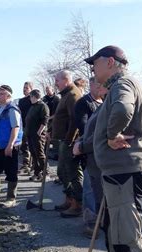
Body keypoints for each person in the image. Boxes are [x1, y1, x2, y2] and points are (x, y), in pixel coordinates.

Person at [85, 45, 142, 252]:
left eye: (95, 63)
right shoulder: (121, 86)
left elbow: (123, 109)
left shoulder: (123, 84)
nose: (93, 69)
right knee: (115, 234)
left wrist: (112, 135)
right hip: (120, 173)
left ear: (110, 62)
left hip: (125, 173)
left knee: (126, 240)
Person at [73, 80, 107, 239]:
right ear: (91, 86)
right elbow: (84, 126)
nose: (100, 87)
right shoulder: (84, 103)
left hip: (106, 156)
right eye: (97, 85)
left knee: (101, 190)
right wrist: (82, 144)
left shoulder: (107, 103)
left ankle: (103, 221)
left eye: (102, 85)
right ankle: (90, 223)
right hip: (91, 152)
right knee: (90, 189)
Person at [51, 70, 83, 218]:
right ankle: (69, 199)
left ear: (65, 80)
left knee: (72, 173)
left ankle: (77, 204)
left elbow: (75, 120)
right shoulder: (65, 95)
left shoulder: (73, 95)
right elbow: (61, 118)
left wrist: (70, 141)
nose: (55, 84)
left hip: (70, 142)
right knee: (62, 172)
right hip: (63, 140)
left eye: (57, 81)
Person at [25, 89, 49, 182]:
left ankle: (45, 173)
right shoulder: (33, 106)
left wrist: (40, 131)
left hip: (38, 134)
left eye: (31, 96)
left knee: (40, 154)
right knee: (33, 154)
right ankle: (37, 172)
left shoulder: (42, 106)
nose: (30, 98)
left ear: (35, 97)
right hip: (30, 134)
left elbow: (45, 119)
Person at [18, 82, 33, 175]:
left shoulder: (33, 100)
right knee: (24, 145)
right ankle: (26, 164)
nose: (25, 89)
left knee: (31, 146)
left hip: (32, 126)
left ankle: (30, 165)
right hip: (23, 125)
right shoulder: (21, 101)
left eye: (27, 88)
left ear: (31, 89)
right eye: (24, 88)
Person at [42, 86, 60, 161]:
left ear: (52, 90)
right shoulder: (44, 99)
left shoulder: (57, 99)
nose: (47, 91)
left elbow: (57, 111)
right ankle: (45, 152)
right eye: (46, 90)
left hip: (54, 120)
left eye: (48, 89)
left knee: (54, 136)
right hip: (46, 120)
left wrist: (50, 118)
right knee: (45, 136)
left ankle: (57, 153)